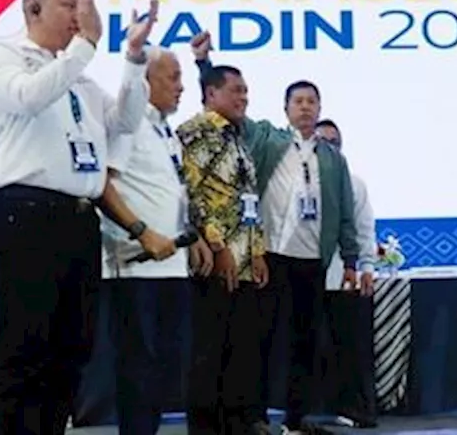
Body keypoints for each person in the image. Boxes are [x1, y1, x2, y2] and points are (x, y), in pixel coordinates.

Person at [0, 0, 157, 435]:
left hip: (78, 219)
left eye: (82, 8)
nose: (79, 17)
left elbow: (125, 120)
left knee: (71, 347)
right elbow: (27, 97)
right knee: (26, 347)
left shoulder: (78, 77)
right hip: (27, 213)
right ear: (32, 10)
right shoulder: (3, 57)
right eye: (67, 6)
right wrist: (87, 44)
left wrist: (134, 59)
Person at [190, 31, 361, 435]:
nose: (305, 108)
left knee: (305, 341)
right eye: (298, 101)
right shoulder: (267, 138)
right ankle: (256, 416)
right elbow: (226, 110)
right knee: (259, 340)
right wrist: (203, 63)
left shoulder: (333, 157)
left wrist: (351, 259)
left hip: (311, 258)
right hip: (270, 255)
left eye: (311, 102)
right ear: (285, 108)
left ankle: (298, 416)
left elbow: (347, 210)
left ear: (320, 108)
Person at [98, 46, 216, 435]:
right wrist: (141, 234)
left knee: (164, 368)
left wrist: (192, 237)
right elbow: (104, 186)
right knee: (139, 369)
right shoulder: (128, 126)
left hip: (172, 266)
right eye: (173, 78)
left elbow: (172, 192)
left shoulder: (164, 130)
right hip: (134, 267)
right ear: (144, 83)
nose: (181, 88)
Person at [178, 64, 271, 435]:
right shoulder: (196, 132)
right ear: (211, 94)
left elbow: (246, 198)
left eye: (246, 90)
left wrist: (257, 251)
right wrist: (218, 247)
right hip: (216, 260)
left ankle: (237, 421)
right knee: (210, 349)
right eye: (235, 90)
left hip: (245, 258)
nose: (243, 97)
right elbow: (193, 194)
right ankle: (205, 426)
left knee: (241, 349)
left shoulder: (237, 137)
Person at [315, 118, 378, 428]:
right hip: (303, 275)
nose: (329, 148)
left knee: (350, 348)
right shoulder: (296, 180)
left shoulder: (354, 184)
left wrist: (367, 266)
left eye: (334, 142)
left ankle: (356, 409)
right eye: (322, 141)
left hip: (344, 276)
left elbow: (365, 230)